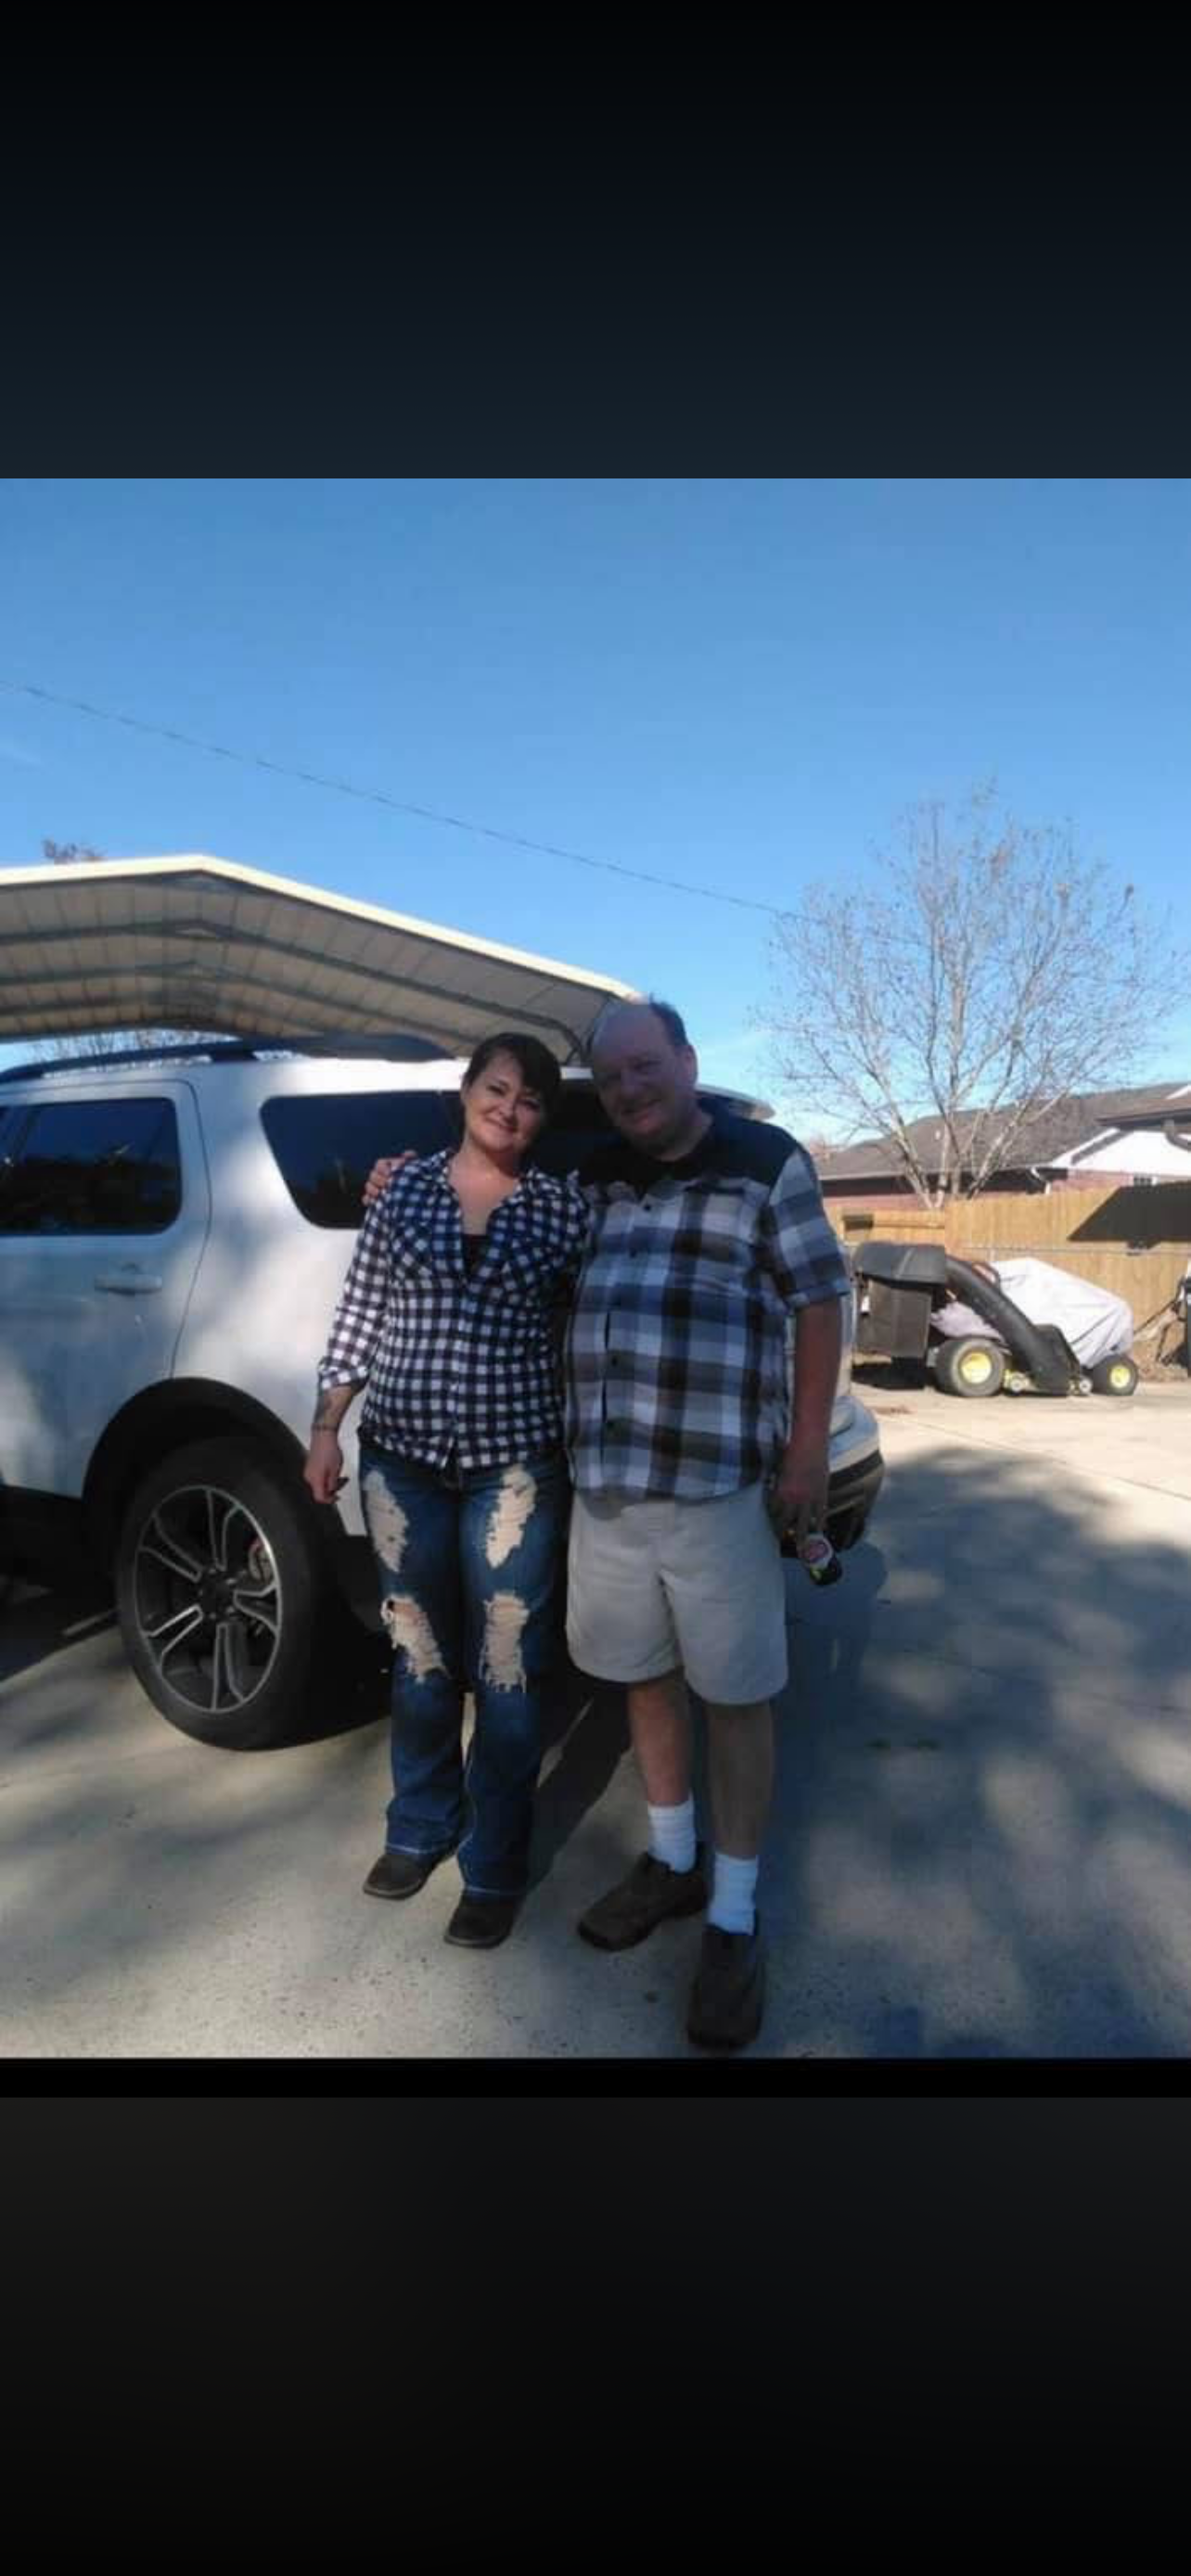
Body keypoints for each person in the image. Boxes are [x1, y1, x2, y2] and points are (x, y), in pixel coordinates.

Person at [564, 1000, 851, 2050]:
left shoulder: (765, 1161)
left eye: (646, 1067)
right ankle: (673, 1862)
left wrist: (809, 1447)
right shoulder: (592, 1173)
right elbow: (494, 1204)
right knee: (643, 1678)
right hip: (608, 1483)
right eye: (613, 1078)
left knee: (735, 1697)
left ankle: (733, 1915)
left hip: (720, 1484)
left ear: (687, 1061)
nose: (631, 1090)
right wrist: (394, 1181)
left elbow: (820, 1299)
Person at [304, 1033, 589, 1950]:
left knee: (506, 1673)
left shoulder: (559, 1210)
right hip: (402, 1466)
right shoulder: (404, 1192)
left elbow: (587, 1326)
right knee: (420, 1656)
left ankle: (495, 1867)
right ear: (465, 1093)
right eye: (497, 1088)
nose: (510, 1108)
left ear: (544, 1118)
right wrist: (325, 1427)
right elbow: (360, 1313)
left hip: (513, 1471)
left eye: (531, 1100)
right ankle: (419, 1827)